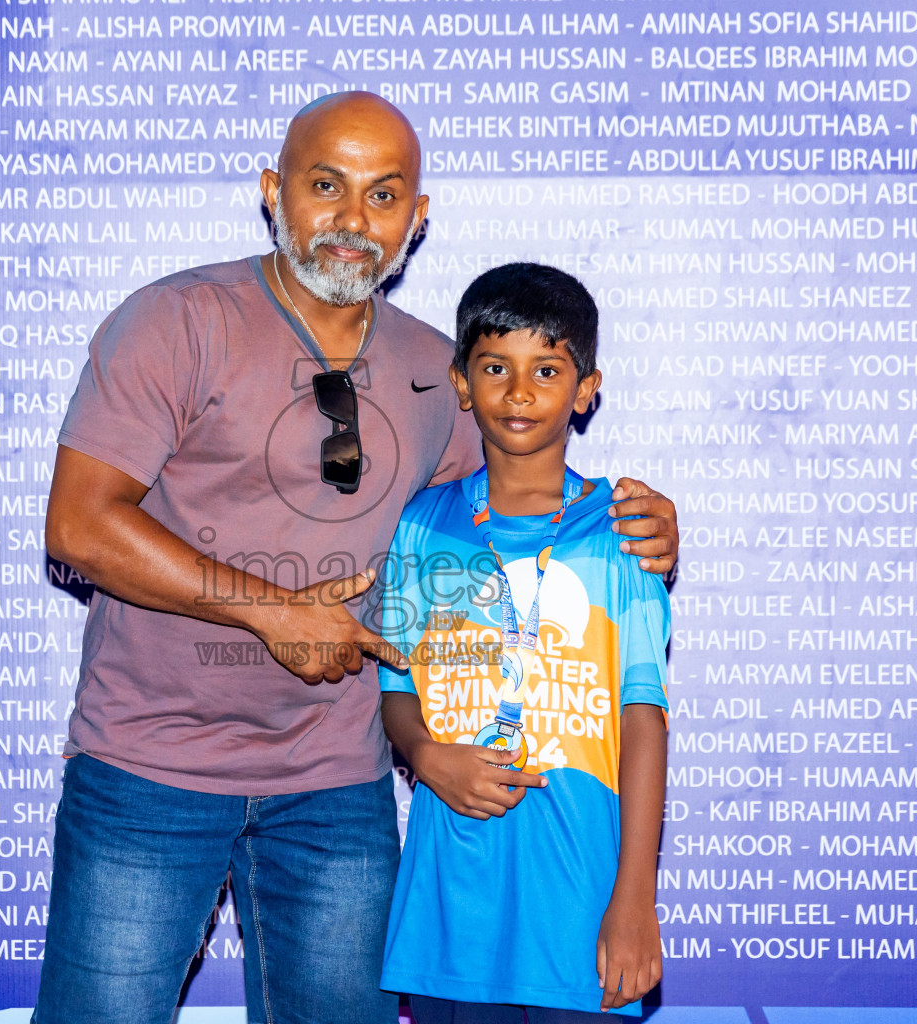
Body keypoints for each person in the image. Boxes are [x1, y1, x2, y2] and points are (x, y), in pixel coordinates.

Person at [36, 93, 680, 1024]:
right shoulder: (176, 320)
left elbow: (517, 521)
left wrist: (644, 521)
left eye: (383, 196)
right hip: (149, 772)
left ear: (416, 221)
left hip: (339, 784)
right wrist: (272, 610)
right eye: (326, 186)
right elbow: (80, 527)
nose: (352, 220)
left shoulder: (443, 377)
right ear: (274, 194)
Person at [377, 263, 668, 1022]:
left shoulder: (620, 534)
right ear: (462, 383)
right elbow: (398, 687)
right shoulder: (422, 525)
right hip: (452, 909)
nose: (519, 391)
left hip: (580, 907)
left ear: (586, 388)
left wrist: (635, 898)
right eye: (495, 368)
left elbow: (643, 715)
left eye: (547, 370)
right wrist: (427, 756)